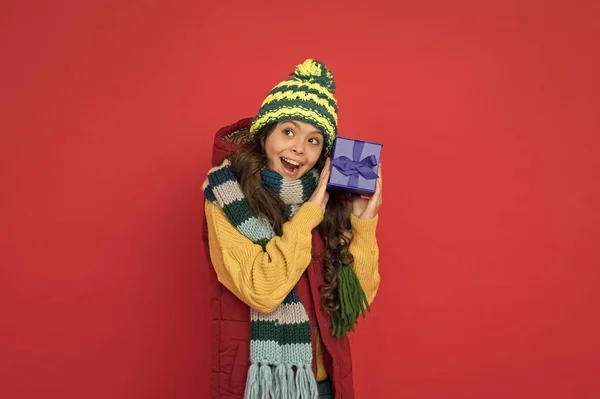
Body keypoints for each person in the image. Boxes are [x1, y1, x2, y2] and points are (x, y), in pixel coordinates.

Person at [202, 59, 382, 399]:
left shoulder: (326, 201)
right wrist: (307, 217)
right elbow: (262, 290)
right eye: (288, 131)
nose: (299, 148)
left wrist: (363, 223)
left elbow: (352, 305)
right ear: (265, 134)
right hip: (260, 385)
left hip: (327, 383)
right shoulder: (226, 196)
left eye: (314, 140)